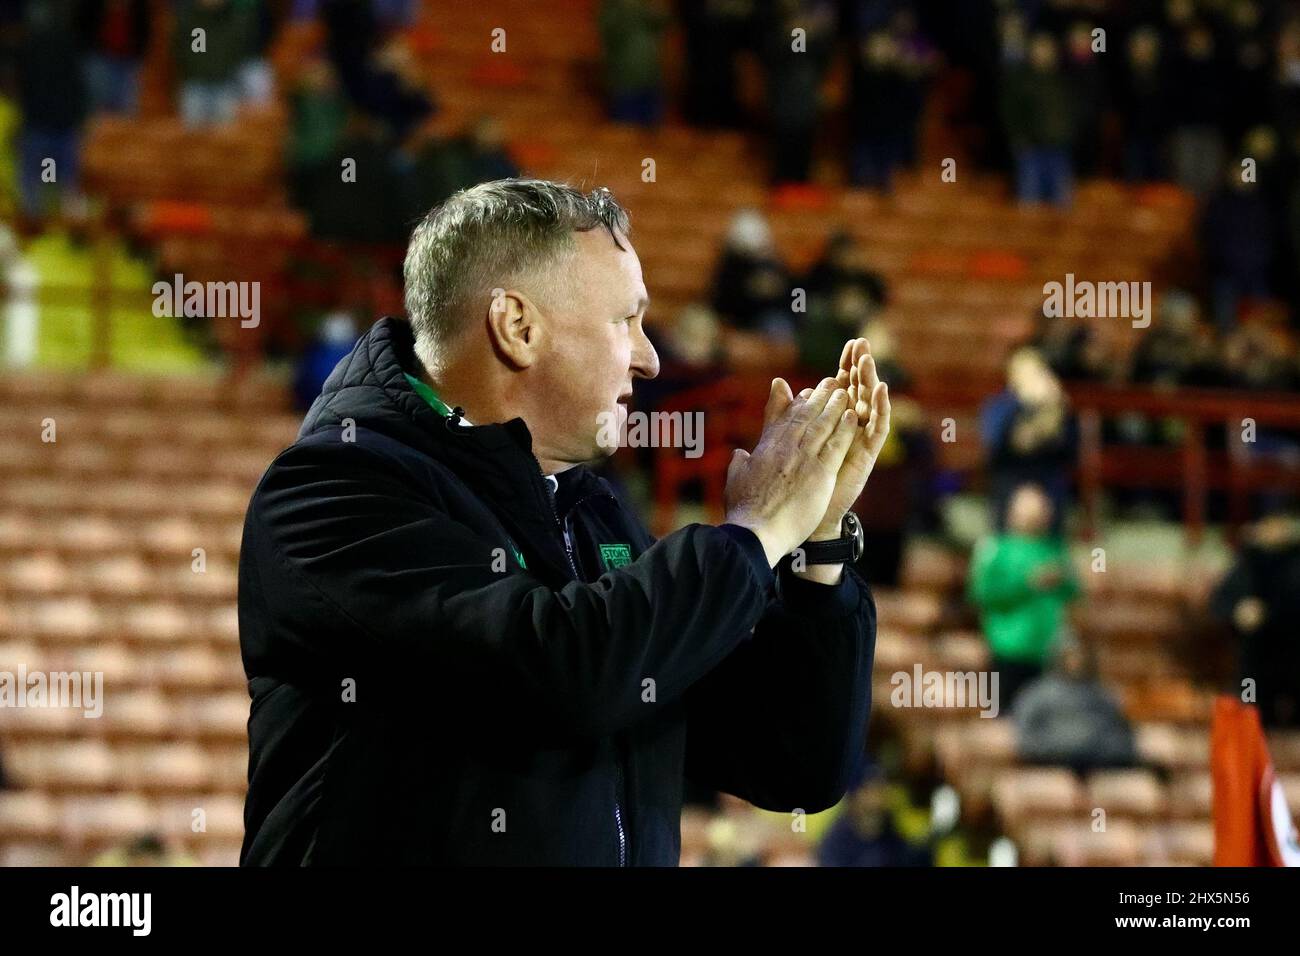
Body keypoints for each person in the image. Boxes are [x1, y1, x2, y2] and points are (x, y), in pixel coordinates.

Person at [239, 179, 893, 865]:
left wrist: (819, 548)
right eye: (626, 321)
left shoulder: (592, 510)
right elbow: (561, 672)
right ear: (518, 328)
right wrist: (756, 529)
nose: (650, 357)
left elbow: (790, 764)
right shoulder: (334, 491)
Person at [967, 483, 1080, 712]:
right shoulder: (996, 548)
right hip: (1006, 650)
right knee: (1004, 721)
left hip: (1048, 654)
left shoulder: (1054, 549)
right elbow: (981, 593)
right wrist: (1027, 584)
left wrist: (1061, 579)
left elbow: (1073, 590)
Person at [1210, 506, 1300, 728]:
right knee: (1250, 702)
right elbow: (1221, 599)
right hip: (1256, 661)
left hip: (1294, 655)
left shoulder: (1294, 563)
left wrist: (1269, 613)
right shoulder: (1249, 561)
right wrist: (1238, 610)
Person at [1013, 635, 1137, 774]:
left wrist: (1105, 752)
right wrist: (1051, 750)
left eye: (1080, 656)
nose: (1076, 661)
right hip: (1050, 764)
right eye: (1071, 656)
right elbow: (1025, 735)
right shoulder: (1037, 694)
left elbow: (1122, 734)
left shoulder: (1103, 694)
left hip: (1100, 765)